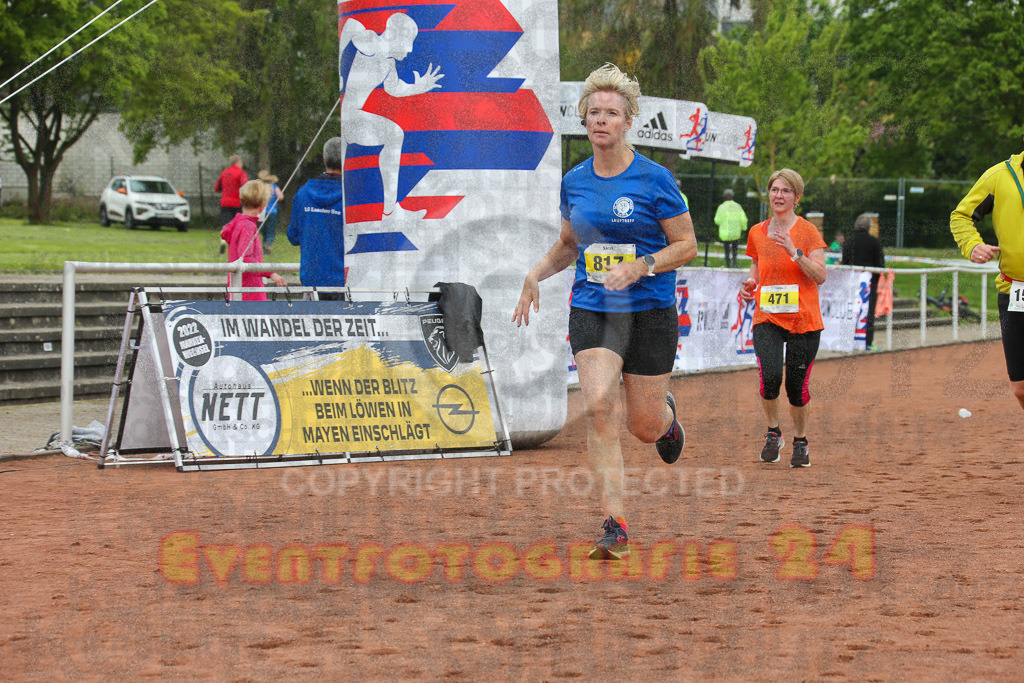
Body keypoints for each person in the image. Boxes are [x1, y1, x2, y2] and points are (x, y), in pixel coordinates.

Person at [512, 63, 698, 561]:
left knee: (643, 426)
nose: (601, 120)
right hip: (593, 307)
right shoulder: (574, 181)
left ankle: (666, 418)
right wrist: (534, 274)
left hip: (649, 310)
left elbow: (687, 245)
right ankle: (615, 524)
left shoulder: (655, 179)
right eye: (593, 112)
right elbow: (568, 245)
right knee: (597, 405)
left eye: (611, 113)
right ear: (584, 119)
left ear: (628, 121)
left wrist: (642, 266)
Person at [740, 169, 827, 468]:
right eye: (775, 190)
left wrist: (795, 252)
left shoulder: (808, 232)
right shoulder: (756, 232)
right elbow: (757, 266)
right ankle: (773, 433)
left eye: (786, 191)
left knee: (796, 388)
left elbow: (820, 275)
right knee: (770, 379)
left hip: (804, 320)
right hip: (767, 318)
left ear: (796, 197)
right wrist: (751, 285)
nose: (779, 195)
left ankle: (800, 440)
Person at [339, 13, 443, 221]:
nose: (410, 49)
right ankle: (376, 215)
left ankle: (390, 211)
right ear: (395, 35)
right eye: (408, 42)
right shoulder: (371, 41)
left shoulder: (388, 63)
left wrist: (419, 87)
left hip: (354, 118)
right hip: (346, 118)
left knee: (395, 135)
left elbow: (394, 88)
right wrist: (340, 71)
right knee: (343, 174)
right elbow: (351, 23)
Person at [950, 148, 1024, 413]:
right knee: (1021, 388)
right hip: (1014, 292)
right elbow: (961, 216)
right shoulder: (999, 175)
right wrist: (972, 245)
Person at [287, 137, 347, 294]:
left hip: (312, 282)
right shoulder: (353, 197)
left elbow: (293, 236)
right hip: (344, 283)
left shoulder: (303, 194)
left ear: (324, 160)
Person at [221, 180, 287, 301]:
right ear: (262, 205)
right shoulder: (248, 226)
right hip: (249, 291)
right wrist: (271, 273)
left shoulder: (238, 222)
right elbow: (246, 258)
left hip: (237, 288)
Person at [842, 214, 885, 351]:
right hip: (869, 283)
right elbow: (880, 265)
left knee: (850, 310)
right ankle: (867, 342)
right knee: (868, 312)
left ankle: (847, 340)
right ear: (868, 227)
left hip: (851, 281)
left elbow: (845, 263)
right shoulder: (875, 242)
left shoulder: (848, 241)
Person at [714, 188, 747, 268]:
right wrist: (744, 228)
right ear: (733, 196)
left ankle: (728, 264)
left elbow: (717, 220)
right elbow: (743, 219)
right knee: (735, 249)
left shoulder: (721, 207)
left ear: (724, 197)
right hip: (736, 233)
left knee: (727, 250)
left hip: (725, 234)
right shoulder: (738, 206)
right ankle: (734, 263)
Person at [214, 154, 248, 228]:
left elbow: (216, 188)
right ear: (238, 163)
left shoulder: (224, 172)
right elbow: (245, 187)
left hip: (225, 203)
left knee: (227, 226)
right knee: (238, 226)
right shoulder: (241, 173)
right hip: (237, 203)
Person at [257, 169, 284, 255]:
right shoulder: (274, 186)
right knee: (271, 230)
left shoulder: (259, 187)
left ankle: (264, 245)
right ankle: (268, 243)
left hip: (261, 212)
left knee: (263, 230)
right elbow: (281, 197)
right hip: (272, 211)